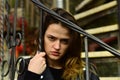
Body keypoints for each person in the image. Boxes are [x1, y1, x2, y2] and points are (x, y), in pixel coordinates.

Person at [17, 8, 100, 80]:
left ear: (71, 42)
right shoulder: (29, 66)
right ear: (42, 37)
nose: (57, 47)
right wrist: (32, 76)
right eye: (52, 38)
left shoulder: (87, 72)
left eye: (64, 41)